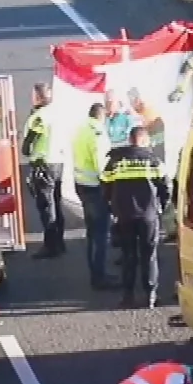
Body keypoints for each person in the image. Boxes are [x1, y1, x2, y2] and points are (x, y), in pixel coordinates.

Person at [103, 126, 169, 308]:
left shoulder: (115, 161)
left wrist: (113, 207)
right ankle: (151, 296)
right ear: (145, 140)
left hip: (124, 215)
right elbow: (166, 188)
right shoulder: (154, 161)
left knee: (128, 255)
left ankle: (128, 296)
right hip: (148, 216)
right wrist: (159, 208)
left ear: (130, 140)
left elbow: (105, 185)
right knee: (149, 255)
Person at [20, 83, 65, 259]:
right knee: (56, 202)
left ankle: (50, 245)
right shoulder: (57, 112)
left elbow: (29, 142)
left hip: (43, 163)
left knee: (46, 206)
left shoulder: (39, 117)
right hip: (58, 162)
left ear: (38, 97)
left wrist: (26, 149)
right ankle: (59, 243)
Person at [71, 101, 112, 288]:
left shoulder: (81, 128)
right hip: (95, 187)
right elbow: (101, 165)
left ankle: (94, 272)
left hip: (81, 184)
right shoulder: (98, 133)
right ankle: (99, 277)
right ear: (101, 116)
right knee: (101, 234)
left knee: (91, 232)